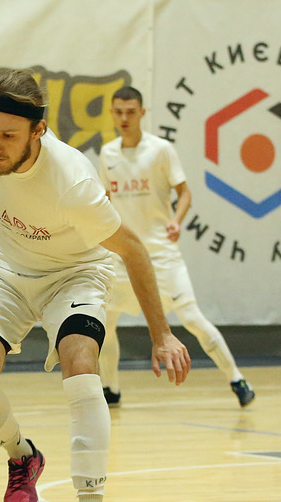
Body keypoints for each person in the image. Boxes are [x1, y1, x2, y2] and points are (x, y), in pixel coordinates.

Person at [0, 69, 191, 502]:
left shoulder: (73, 182)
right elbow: (13, 214)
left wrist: (162, 334)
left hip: (76, 274)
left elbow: (133, 250)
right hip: (8, 268)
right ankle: (22, 456)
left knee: (82, 369)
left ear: (38, 130)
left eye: (8, 135)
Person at [97, 86, 255, 408]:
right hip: (122, 256)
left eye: (131, 112)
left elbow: (184, 193)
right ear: (112, 114)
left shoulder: (161, 150)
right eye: (119, 112)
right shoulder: (107, 154)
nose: (124, 118)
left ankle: (237, 379)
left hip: (160, 254)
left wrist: (177, 221)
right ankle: (110, 388)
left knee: (192, 318)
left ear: (142, 113)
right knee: (105, 324)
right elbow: (106, 200)